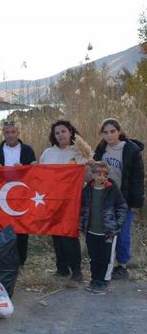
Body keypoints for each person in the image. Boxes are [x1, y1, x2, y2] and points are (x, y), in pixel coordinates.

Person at [39, 119, 91, 286]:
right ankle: (62, 268)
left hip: (73, 200)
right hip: (53, 199)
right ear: (54, 136)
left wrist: (89, 164)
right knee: (56, 234)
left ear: (70, 132)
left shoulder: (79, 152)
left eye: (63, 131)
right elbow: (40, 174)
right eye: (57, 133)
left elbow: (89, 174)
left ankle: (76, 271)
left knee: (69, 234)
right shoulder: (48, 153)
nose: (60, 134)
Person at [93, 118, 144, 280]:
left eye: (112, 131)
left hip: (123, 199)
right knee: (106, 232)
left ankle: (122, 265)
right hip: (105, 197)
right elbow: (94, 171)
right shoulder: (101, 148)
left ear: (119, 131)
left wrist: (136, 202)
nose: (109, 135)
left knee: (123, 233)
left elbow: (137, 178)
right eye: (105, 132)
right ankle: (107, 262)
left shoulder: (130, 149)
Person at [0, 120, 37, 266]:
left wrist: (26, 168)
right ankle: (4, 260)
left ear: (18, 132)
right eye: (7, 132)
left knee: (21, 229)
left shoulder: (27, 150)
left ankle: (21, 262)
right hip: (2, 195)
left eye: (13, 132)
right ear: (3, 134)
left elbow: (33, 174)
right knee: (3, 228)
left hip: (22, 194)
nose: (10, 135)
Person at [80, 162, 128, 293]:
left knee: (106, 258)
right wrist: (82, 224)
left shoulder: (112, 189)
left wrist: (117, 224)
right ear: (92, 175)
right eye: (99, 174)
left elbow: (122, 207)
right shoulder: (87, 190)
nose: (102, 177)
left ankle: (104, 281)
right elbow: (81, 208)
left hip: (108, 232)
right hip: (91, 231)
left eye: (105, 174)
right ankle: (95, 279)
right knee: (93, 257)